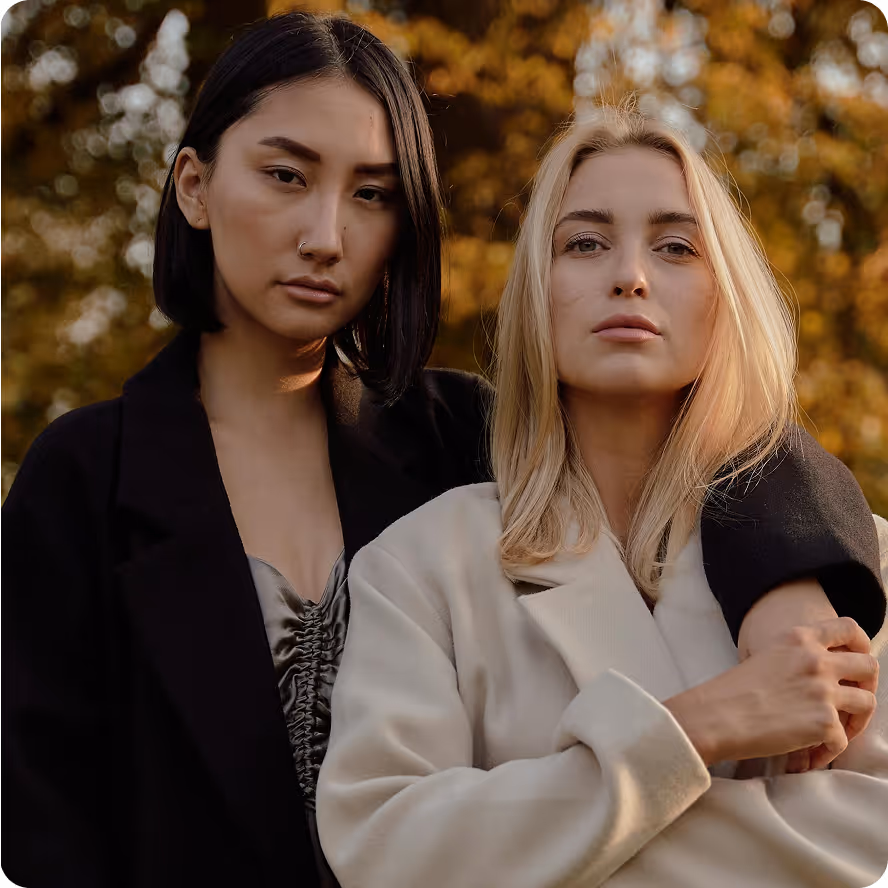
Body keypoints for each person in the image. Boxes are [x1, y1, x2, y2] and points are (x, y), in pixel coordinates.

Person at [0, 12, 882, 888]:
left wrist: (787, 578)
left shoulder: (460, 433)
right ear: (192, 186)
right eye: (284, 175)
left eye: (372, 194)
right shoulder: (84, 478)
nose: (325, 235)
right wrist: (691, 730)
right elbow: (35, 812)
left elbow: (697, 427)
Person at [315, 106, 888, 888]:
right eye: (583, 242)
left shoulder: (860, 564)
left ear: (727, 294)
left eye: (677, 246)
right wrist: (698, 727)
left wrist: (549, 834)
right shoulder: (422, 564)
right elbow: (387, 848)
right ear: (535, 294)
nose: (630, 274)